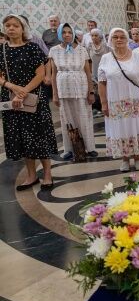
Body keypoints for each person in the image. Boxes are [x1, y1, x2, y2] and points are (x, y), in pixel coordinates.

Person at [0, 14, 57, 190]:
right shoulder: (1, 50)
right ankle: (31, 175)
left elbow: (40, 74)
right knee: (22, 138)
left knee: (38, 136)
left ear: (22, 29)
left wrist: (23, 92)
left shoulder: (32, 48)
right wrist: (12, 87)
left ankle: (47, 174)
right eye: (7, 25)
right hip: (11, 98)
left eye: (15, 26)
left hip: (34, 98)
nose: (11, 28)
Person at [98, 28, 139, 172]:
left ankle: (138, 157)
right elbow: (102, 82)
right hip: (115, 101)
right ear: (110, 40)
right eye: (115, 37)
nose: (119, 39)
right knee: (121, 129)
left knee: (135, 126)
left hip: (135, 100)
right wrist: (103, 103)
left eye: (122, 37)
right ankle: (125, 158)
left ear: (127, 39)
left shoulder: (137, 57)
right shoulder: (105, 59)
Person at [48, 22, 97, 160]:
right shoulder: (54, 50)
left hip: (81, 88)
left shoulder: (82, 50)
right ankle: (69, 149)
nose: (67, 35)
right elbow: (53, 74)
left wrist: (91, 92)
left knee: (84, 117)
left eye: (69, 32)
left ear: (73, 34)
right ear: (59, 35)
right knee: (66, 119)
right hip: (63, 89)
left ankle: (90, 147)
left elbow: (88, 73)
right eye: (64, 32)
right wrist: (55, 94)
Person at [86, 28, 111, 114]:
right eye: (92, 35)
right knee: (96, 91)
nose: (94, 37)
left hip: (106, 71)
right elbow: (88, 60)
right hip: (94, 71)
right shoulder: (89, 46)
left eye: (96, 35)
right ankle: (99, 108)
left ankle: (107, 106)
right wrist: (89, 72)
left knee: (106, 90)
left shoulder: (106, 46)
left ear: (100, 36)